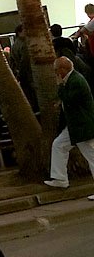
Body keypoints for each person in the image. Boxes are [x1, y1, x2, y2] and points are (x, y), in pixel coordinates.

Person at [43, 57, 94, 201]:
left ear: (62, 69)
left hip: (83, 127)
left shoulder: (76, 81)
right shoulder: (72, 80)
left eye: (56, 70)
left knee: (92, 156)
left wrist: (60, 86)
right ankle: (60, 179)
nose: (55, 74)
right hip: (75, 126)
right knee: (58, 145)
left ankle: (60, 179)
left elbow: (70, 100)